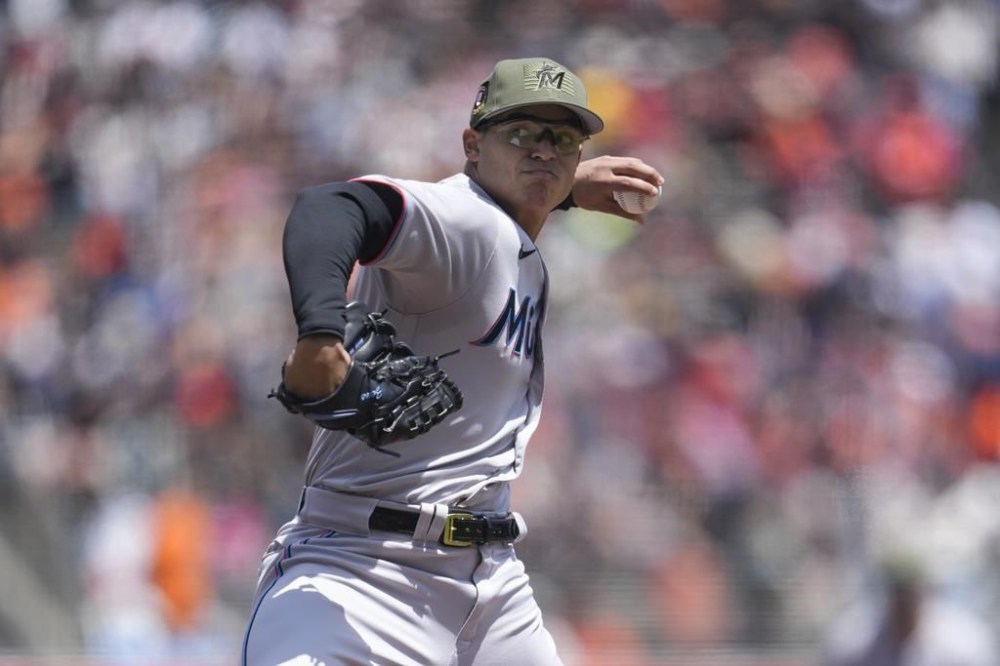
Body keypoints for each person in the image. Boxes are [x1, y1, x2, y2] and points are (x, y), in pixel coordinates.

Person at [240, 57, 664, 665]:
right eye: (521, 133)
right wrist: (321, 337)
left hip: (493, 589)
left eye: (562, 139)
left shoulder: (508, 231)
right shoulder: (466, 220)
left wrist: (560, 191)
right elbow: (332, 206)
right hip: (358, 573)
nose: (543, 151)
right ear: (472, 145)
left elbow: (513, 205)